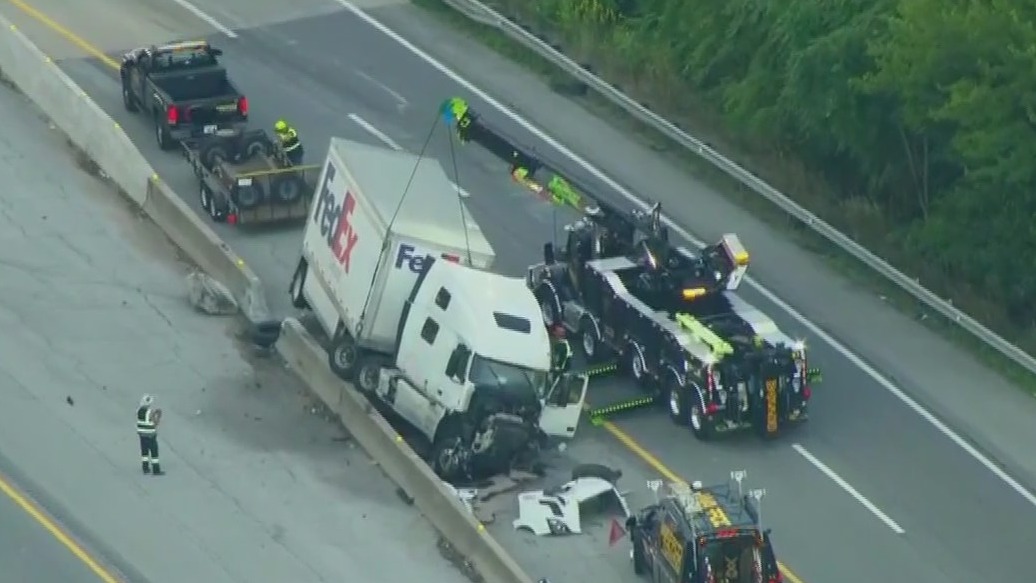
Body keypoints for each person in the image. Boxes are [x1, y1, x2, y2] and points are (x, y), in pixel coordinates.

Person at [136, 394, 164, 476]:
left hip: (142, 435)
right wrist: (158, 416)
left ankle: (145, 468)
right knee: (154, 452)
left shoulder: (138, 410)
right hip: (150, 435)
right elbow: (155, 423)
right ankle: (156, 470)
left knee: (144, 451)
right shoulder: (150, 412)